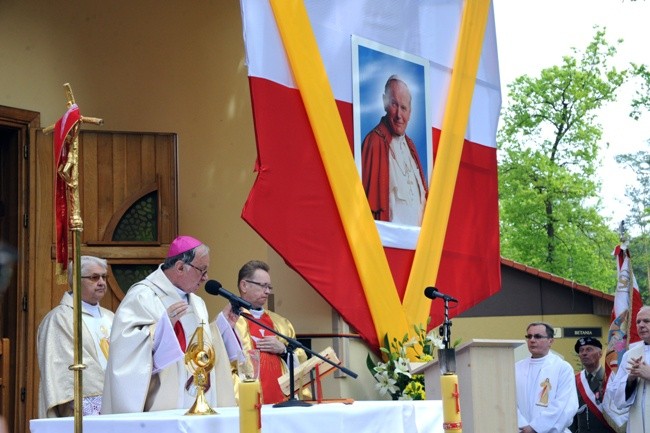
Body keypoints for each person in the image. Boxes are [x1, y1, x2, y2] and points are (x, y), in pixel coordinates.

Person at [102, 235, 235, 413]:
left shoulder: (197, 302)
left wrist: (222, 327)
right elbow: (125, 349)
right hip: (161, 404)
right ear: (180, 267)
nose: (205, 278)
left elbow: (199, 345)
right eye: (202, 270)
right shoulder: (143, 296)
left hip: (198, 401)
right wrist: (163, 329)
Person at [215, 260, 308, 404]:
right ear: (244, 285)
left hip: (282, 399)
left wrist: (283, 350)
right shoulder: (229, 321)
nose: (267, 291)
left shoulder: (282, 323)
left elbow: (301, 360)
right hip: (246, 400)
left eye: (269, 287)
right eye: (263, 286)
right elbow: (219, 360)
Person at [37, 255, 114, 417]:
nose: (101, 282)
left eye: (104, 277)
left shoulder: (111, 317)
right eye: (94, 277)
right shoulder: (59, 319)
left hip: (115, 399)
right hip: (79, 408)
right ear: (76, 280)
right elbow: (59, 370)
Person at [361, 74, 428, 225]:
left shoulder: (411, 147)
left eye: (403, 108)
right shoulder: (374, 142)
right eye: (394, 104)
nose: (399, 115)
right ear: (384, 102)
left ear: (410, 112)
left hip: (417, 244)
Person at [516, 322, 578, 433]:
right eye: (529, 336)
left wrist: (536, 428)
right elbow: (510, 402)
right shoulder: (517, 367)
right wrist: (523, 426)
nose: (532, 340)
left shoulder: (562, 368)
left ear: (551, 341)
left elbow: (565, 405)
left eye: (538, 336)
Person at [613, 305, 650, 432]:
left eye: (646, 321)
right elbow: (617, 399)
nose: (641, 325)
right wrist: (630, 379)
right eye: (638, 322)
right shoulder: (630, 355)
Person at [570, 337, 616, 433]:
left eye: (589, 349)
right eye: (581, 350)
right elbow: (571, 412)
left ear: (600, 354)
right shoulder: (574, 380)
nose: (584, 353)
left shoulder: (611, 378)